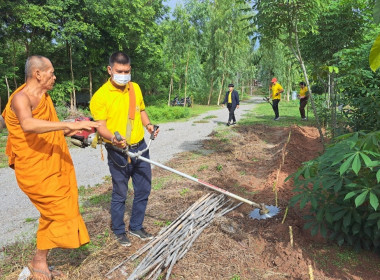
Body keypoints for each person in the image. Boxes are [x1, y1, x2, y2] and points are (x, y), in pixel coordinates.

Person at [2, 55, 99, 279]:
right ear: (38, 74)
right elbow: (27, 124)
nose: (54, 77)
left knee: (52, 212)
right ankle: (38, 260)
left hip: (53, 164)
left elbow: (50, 128)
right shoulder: (20, 98)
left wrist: (75, 130)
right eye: (51, 73)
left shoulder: (44, 98)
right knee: (60, 211)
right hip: (34, 168)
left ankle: (39, 261)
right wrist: (67, 123)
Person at [90, 51, 159, 247]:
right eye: (120, 71)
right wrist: (113, 138)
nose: (124, 75)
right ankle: (119, 230)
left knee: (144, 189)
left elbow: (142, 110)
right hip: (118, 151)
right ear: (110, 70)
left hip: (141, 147)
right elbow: (100, 126)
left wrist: (148, 126)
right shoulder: (101, 96)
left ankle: (136, 226)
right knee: (120, 192)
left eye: (127, 71)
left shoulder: (134, 88)